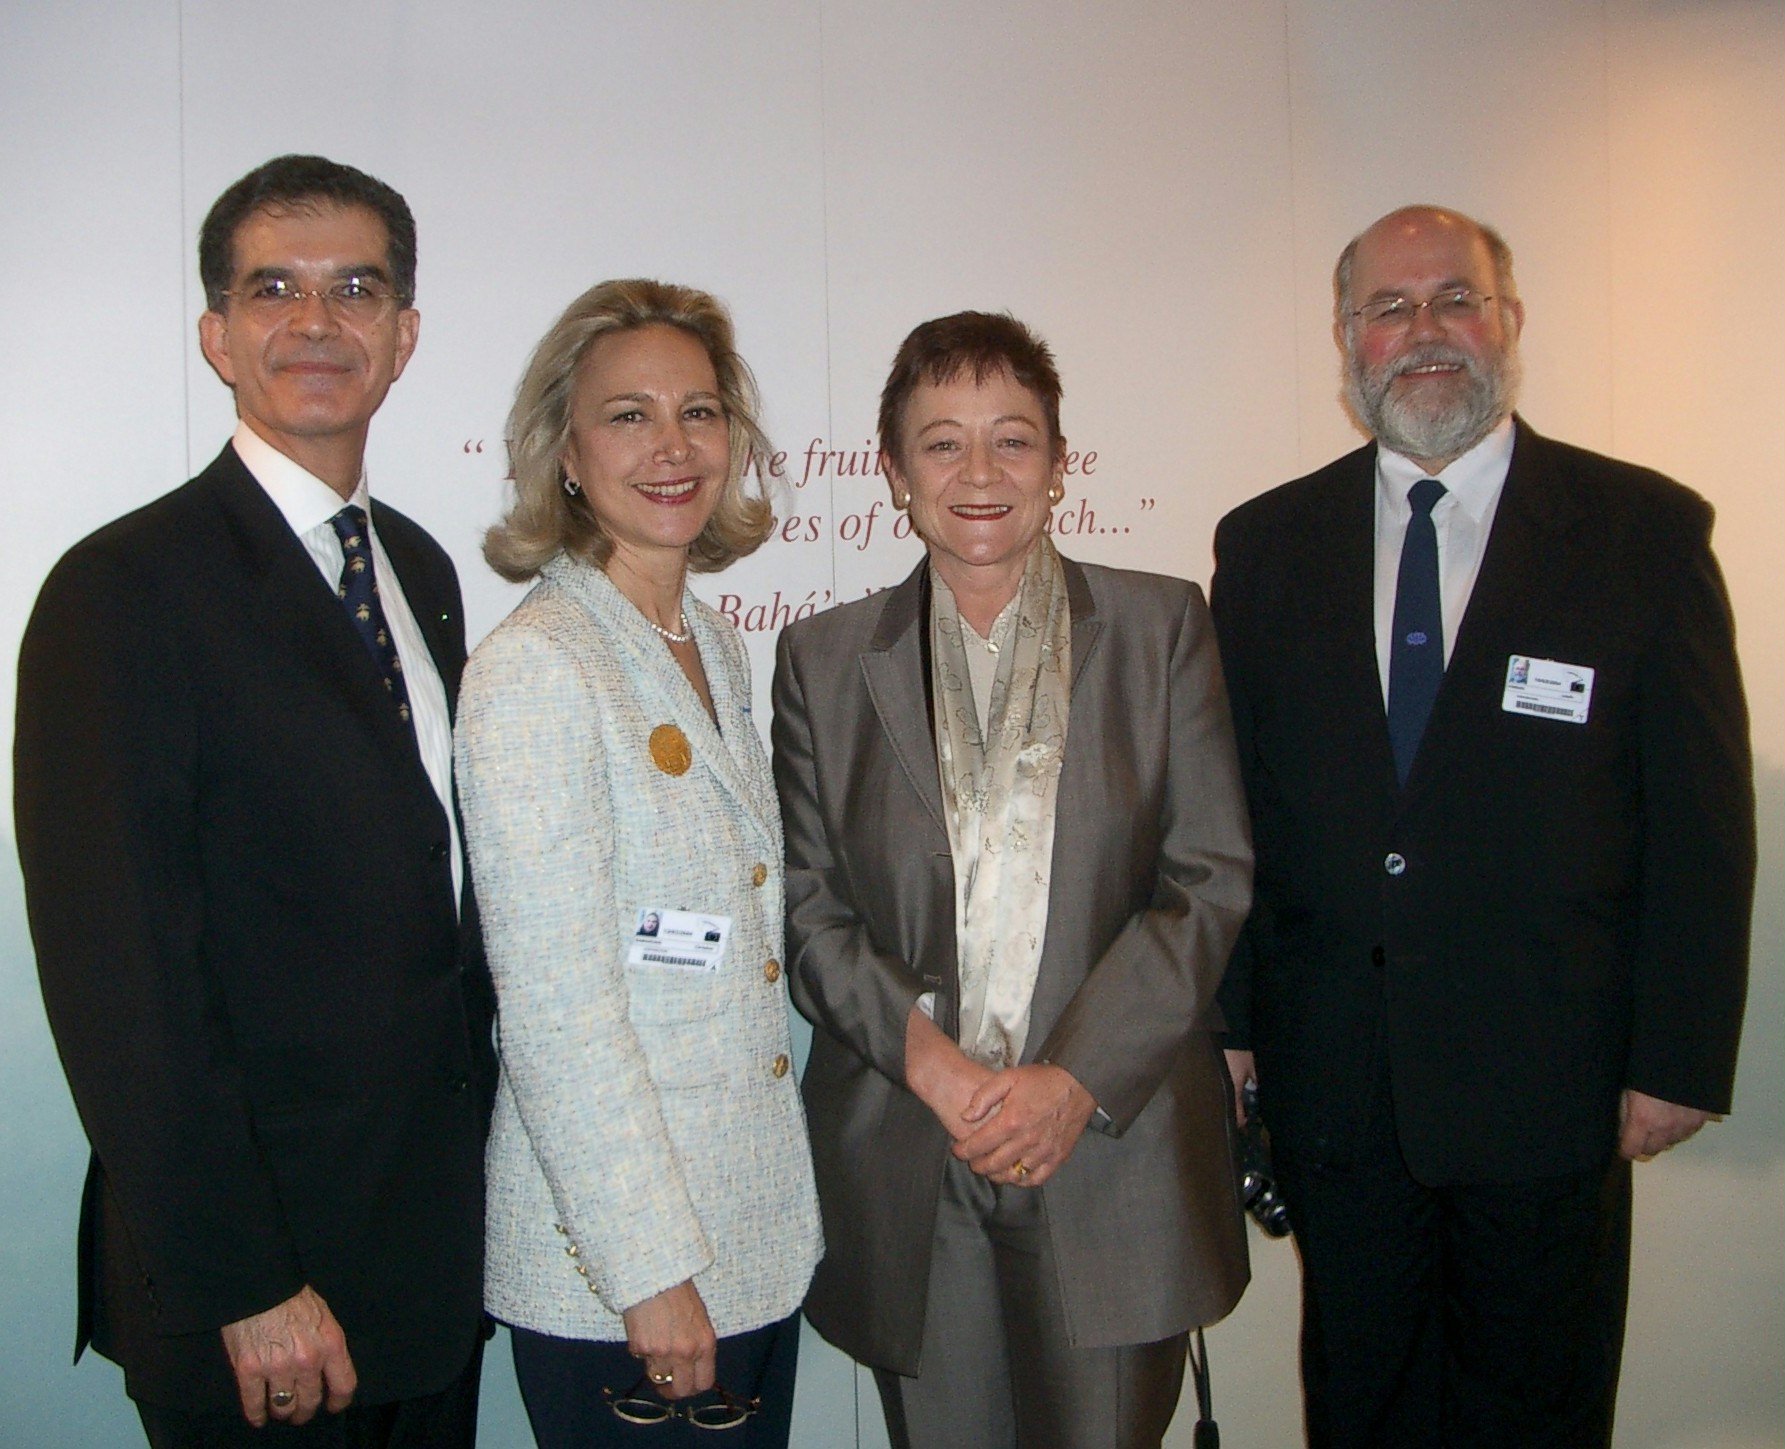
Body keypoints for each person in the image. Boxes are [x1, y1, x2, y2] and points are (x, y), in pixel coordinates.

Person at [1211, 205, 1755, 1447]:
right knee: (1363, 1406)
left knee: (1538, 1413)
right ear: (1346, 342)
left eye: (1454, 298)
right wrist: (1232, 1026)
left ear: (1509, 320)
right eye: (1389, 309)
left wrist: (1676, 1057)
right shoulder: (1266, 545)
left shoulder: (1645, 535)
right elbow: (1236, 809)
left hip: (1552, 1085)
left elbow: (1703, 821)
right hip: (1338, 1086)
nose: (1425, 333)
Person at [13, 155, 494, 1446]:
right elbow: (123, 985)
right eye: (273, 288)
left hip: (427, 1270)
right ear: (217, 337)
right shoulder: (120, 591)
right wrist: (246, 1281)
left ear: (403, 337)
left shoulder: (421, 570)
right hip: (261, 1299)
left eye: (356, 289)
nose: (316, 323)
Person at [773, 311, 1253, 1449]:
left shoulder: (1160, 627)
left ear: (1059, 464)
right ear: (893, 473)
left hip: (1112, 1148)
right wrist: (935, 1069)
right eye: (941, 443)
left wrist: (1072, 1081)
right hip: (913, 1145)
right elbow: (808, 908)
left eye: (1013, 440)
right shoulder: (825, 661)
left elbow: (1209, 877)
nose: (978, 474)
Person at [454, 279, 822, 1448]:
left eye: (700, 412)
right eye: (628, 415)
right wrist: (651, 1270)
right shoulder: (537, 669)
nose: (673, 447)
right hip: (625, 1274)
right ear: (565, 450)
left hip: (752, 1235)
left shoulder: (710, 638)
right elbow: (559, 1013)